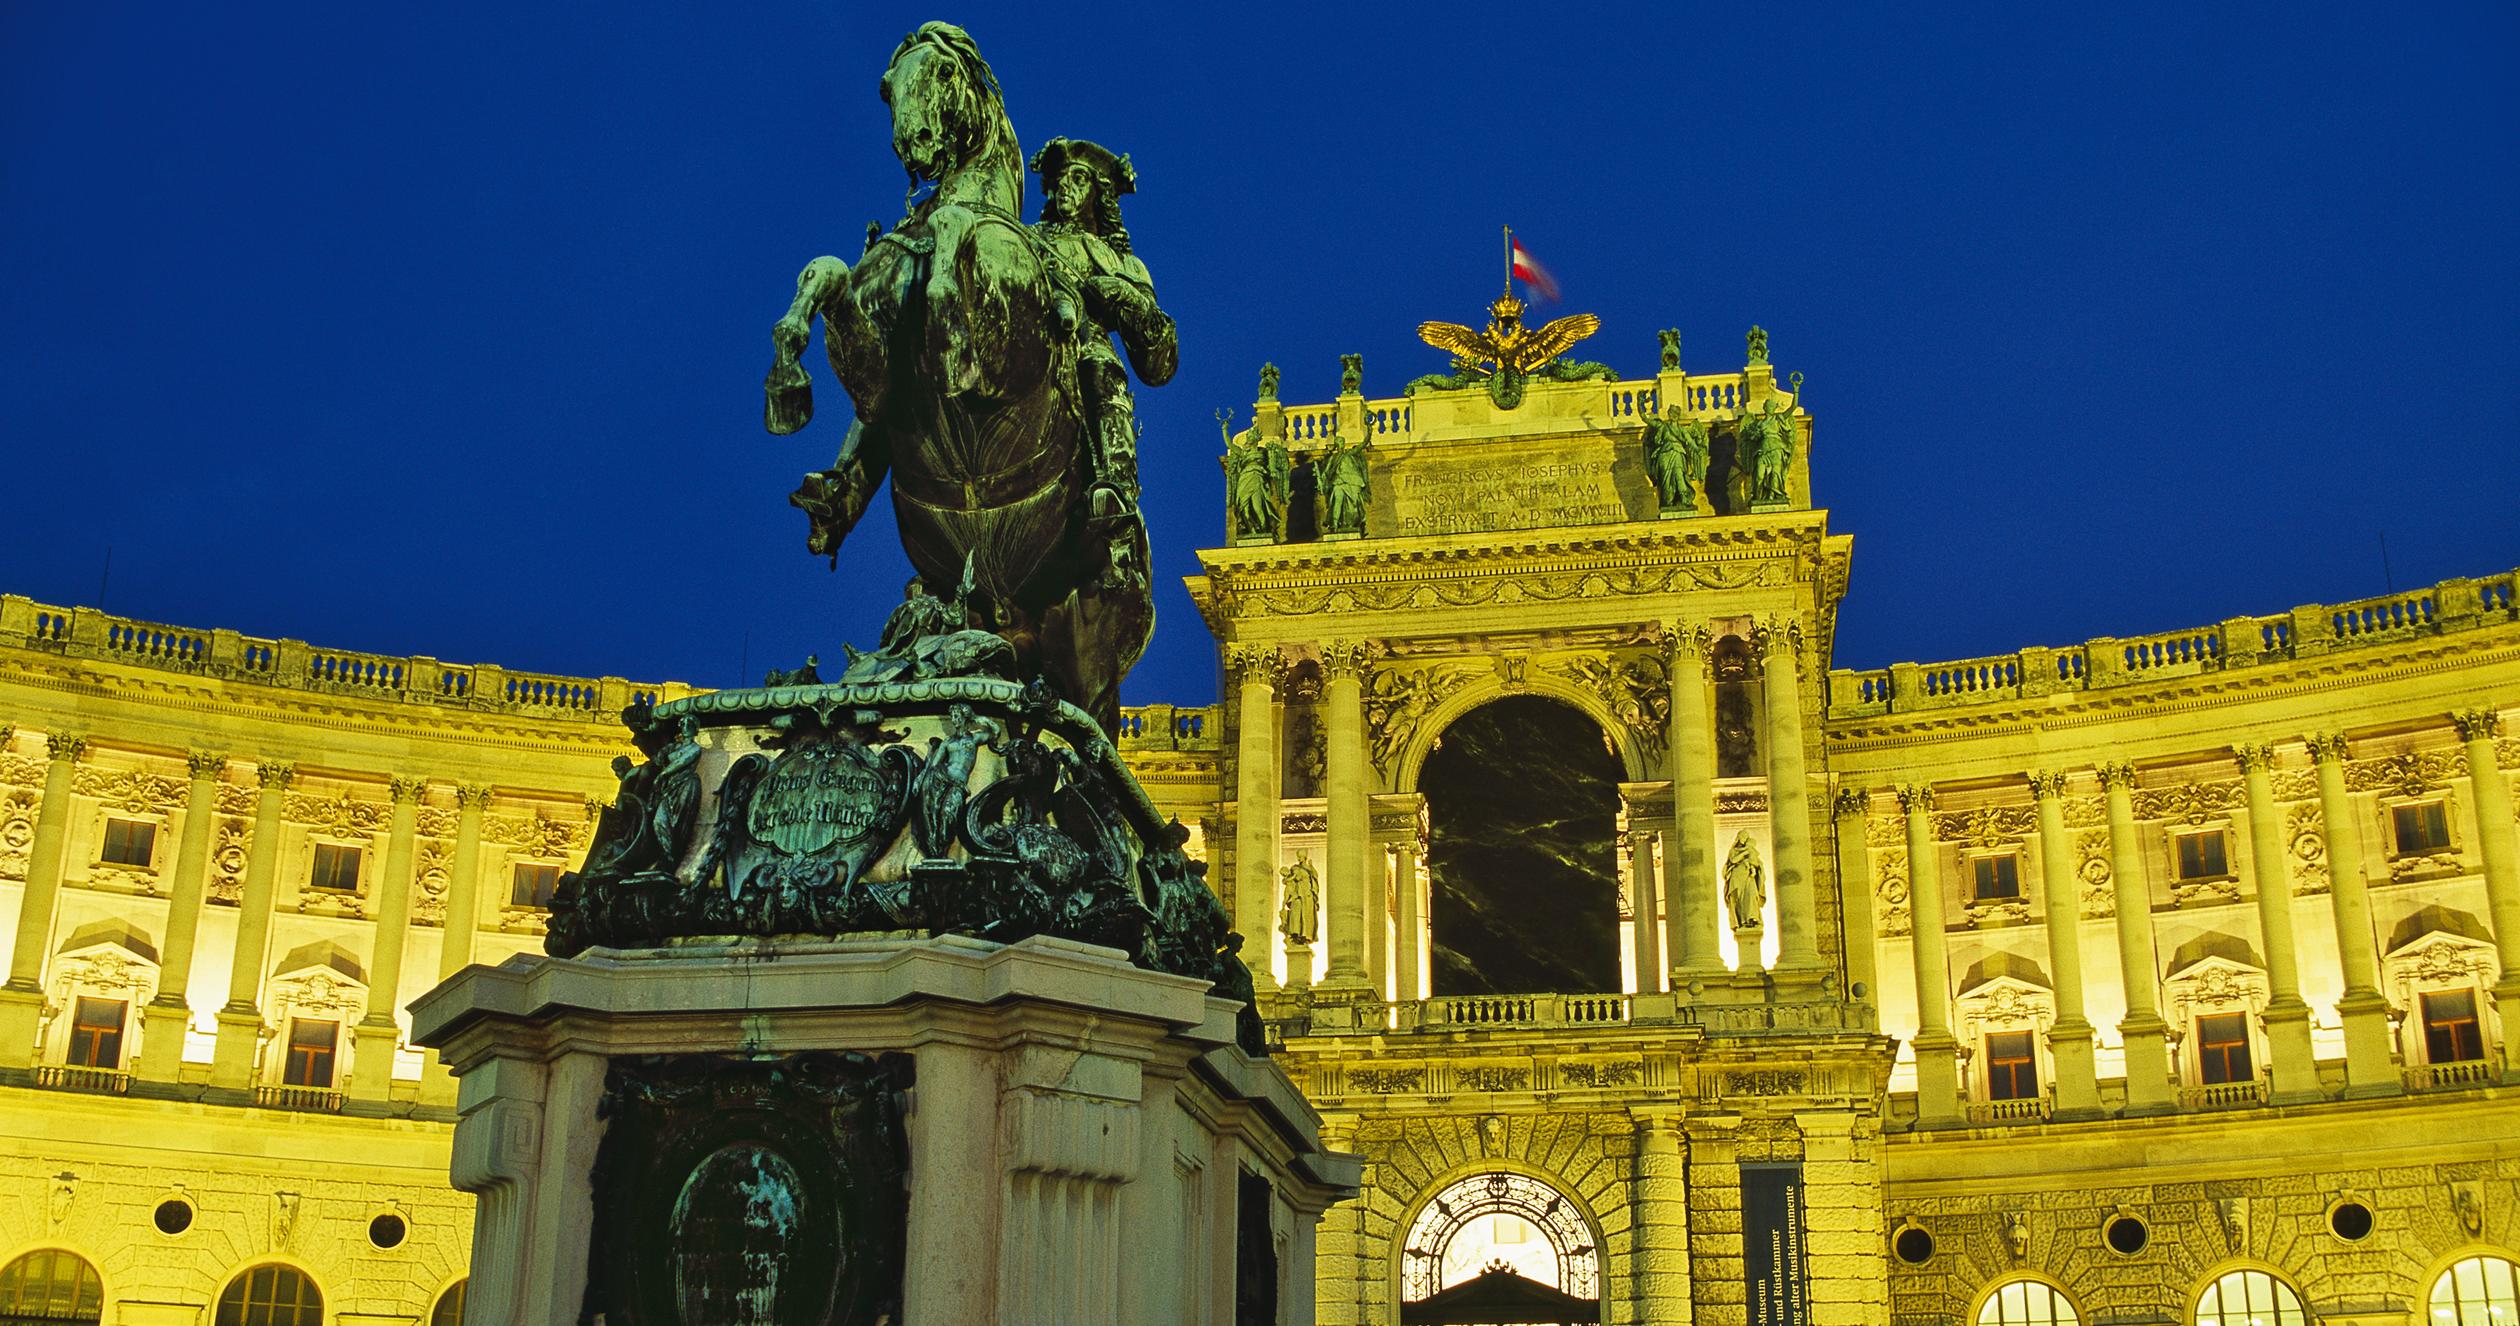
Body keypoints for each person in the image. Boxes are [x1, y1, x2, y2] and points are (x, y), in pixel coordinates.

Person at [1028, 138, 1177, 591]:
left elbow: (1160, 363)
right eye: (1059, 181)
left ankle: (1115, 494)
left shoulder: (1121, 262)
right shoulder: (1022, 240)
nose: (1065, 189)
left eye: (1078, 179)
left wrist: (1126, 298)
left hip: (1081, 351)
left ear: (1101, 195)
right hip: (1024, 344)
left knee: (1099, 365)